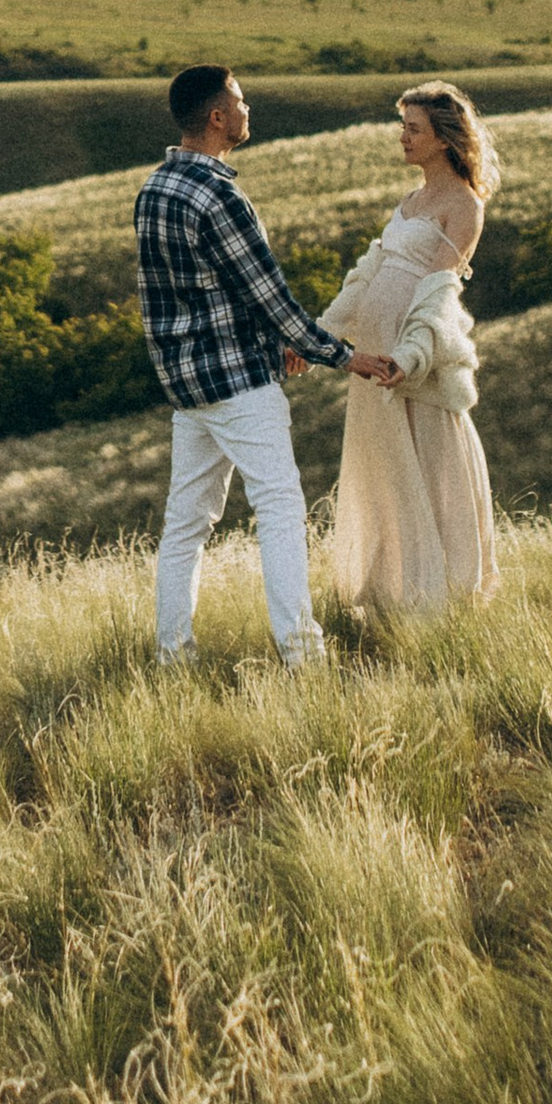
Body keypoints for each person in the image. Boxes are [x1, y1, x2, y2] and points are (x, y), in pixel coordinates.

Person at [135, 62, 395, 667]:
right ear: (219, 117)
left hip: (189, 386)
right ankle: (302, 654)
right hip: (238, 384)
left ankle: (173, 656)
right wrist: (345, 356)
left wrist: (277, 342)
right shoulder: (220, 195)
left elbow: (186, 295)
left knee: (186, 526)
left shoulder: (155, 188)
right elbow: (269, 297)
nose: (249, 110)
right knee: (280, 508)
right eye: (242, 101)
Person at [321, 82, 502, 613]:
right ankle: (383, 596)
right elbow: (366, 275)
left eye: (413, 128)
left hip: (409, 361)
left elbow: (439, 292)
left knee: (426, 470)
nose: (403, 137)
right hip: (371, 358)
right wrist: (318, 335)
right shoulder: (409, 202)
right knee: (382, 476)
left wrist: (412, 357)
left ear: (444, 139)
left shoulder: (463, 204)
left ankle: (434, 599)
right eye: (403, 126)